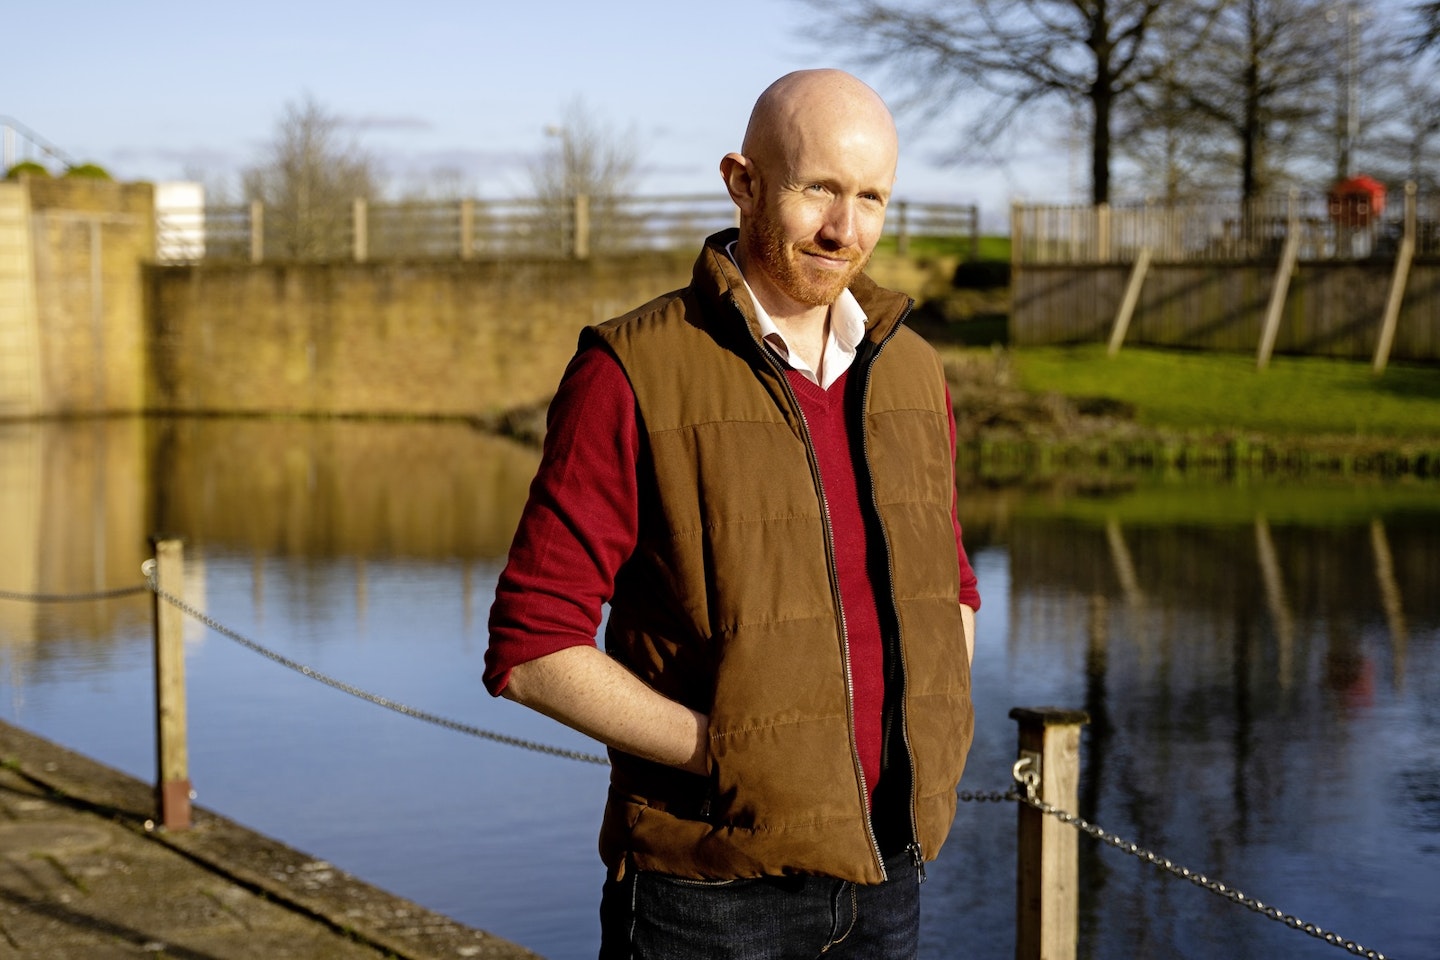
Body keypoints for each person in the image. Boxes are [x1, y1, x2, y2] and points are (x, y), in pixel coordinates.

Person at [484, 68, 979, 960]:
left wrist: (925, 730)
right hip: (704, 898)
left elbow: (954, 594)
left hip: (888, 877)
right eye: (817, 187)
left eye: (871, 197)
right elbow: (532, 649)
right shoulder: (630, 372)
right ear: (743, 181)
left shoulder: (915, 374)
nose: (845, 228)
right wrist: (731, 749)